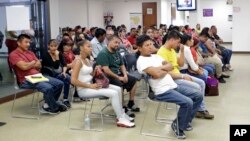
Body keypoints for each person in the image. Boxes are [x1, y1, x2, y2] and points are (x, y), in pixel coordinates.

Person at [136, 35, 203, 139]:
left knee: (198, 95)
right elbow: (157, 75)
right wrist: (164, 69)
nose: (150, 47)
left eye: (151, 44)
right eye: (146, 45)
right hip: (161, 91)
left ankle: (185, 121)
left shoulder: (156, 56)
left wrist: (160, 69)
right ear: (139, 48)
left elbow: (170, 66)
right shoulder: (141, 61)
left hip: (172, 85)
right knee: (188, 102)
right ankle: (178, 126)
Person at [71, 39, 135, 128]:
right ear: (81, 48)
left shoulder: (86, 59)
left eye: (91, 47)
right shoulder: (78, 61)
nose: (91, 49)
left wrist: (96, 70)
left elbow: (89, 75)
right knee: (113, 93)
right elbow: (73, 80)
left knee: (117, 89)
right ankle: (120, 119)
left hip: (91, 86)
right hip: (83, 90)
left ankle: (121, 113)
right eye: (88, 46)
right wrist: (90, 85)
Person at [157, 30, 214, 119]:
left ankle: (200, 109)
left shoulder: (171, 50)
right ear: (171, 40)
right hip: (172, 79)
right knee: (197, 86)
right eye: (178, 42)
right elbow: (166, 73)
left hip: (178, 75)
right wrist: (183, 76)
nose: (179, 44)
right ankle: (194, 111)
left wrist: (182, 51)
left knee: (202, 82)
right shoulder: (161, 52)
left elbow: (180, 64)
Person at [9, 34, 67, 114]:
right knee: (48, 88)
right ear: (18, 43)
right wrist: (33, 62)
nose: (28, 44)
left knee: (59, 83)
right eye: (26, 42)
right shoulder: (13, 55)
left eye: (29, 42)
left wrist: (29, 64)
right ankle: (54, 107)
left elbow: (39, 65)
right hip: (25, 79)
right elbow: (23, 67)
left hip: (38, 76)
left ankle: (48, 105)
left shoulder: (30, 52)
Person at [96, 35, 139, 117]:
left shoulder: (117, 52)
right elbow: (106, 70)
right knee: (119, 85)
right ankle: (122, 107)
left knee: (133, 80)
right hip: (108, 77)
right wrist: (119, 77)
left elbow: (122, 65)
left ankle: (131, 102)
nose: (117, 45)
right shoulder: (103, 53)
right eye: (115, 42)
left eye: (119, 43)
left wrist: (125, 75)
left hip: (119, 74)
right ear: (109, 42)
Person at [41, 39, 71, 108]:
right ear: (48, 46)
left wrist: (63, 72)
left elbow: (64, 64)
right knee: (58, 83)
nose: (54, 48)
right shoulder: (45, 55)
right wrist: (57, 56)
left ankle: (65, 99)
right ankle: (50, 101)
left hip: (56, 74)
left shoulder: (59, 53)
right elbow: (55, 65)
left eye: (55, 46)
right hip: (47, 75)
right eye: (52, 46)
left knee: (66, 77)